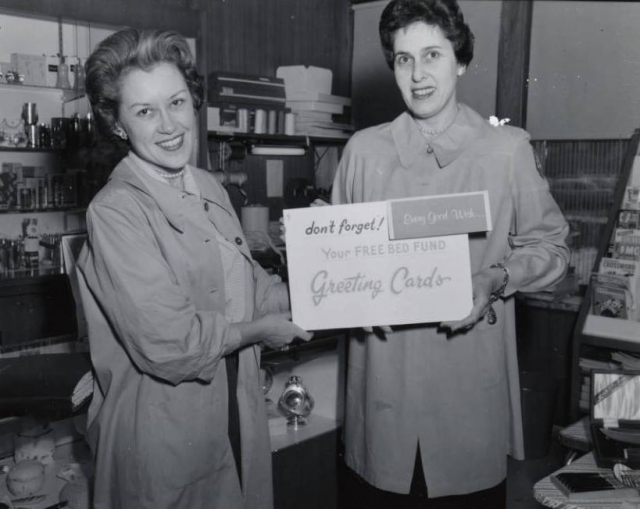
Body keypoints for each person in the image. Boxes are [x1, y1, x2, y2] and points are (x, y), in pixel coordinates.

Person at [331, 0, 570, 507]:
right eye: (403, 59)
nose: (418, 75)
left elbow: (552, 248)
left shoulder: (507, 151)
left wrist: (494, 279)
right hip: (381, 395)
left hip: (466, 394)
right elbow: (342, 266)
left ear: (460, 61)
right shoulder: (362, 153)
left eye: (433, 55)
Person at [76, 28, 312, 509]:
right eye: (144, 111)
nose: (169, 125)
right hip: (161, 431)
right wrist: (260, 331)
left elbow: (250, 288)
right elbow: (171, 344)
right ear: (118, 125)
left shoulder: (208, 187)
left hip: (233, 412)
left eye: (177, 102)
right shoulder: (115, 211)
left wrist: (337, 282)